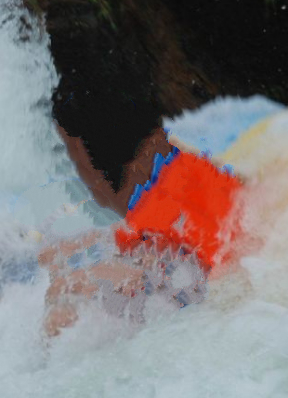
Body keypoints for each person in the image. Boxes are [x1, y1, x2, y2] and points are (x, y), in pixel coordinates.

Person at [39, 124, 244, 336]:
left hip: (200, 281)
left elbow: (222, 273)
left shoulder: (192, 180)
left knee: (71, 290)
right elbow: (133, 234)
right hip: (183, 271)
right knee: (67, 287)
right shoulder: (178, 176)